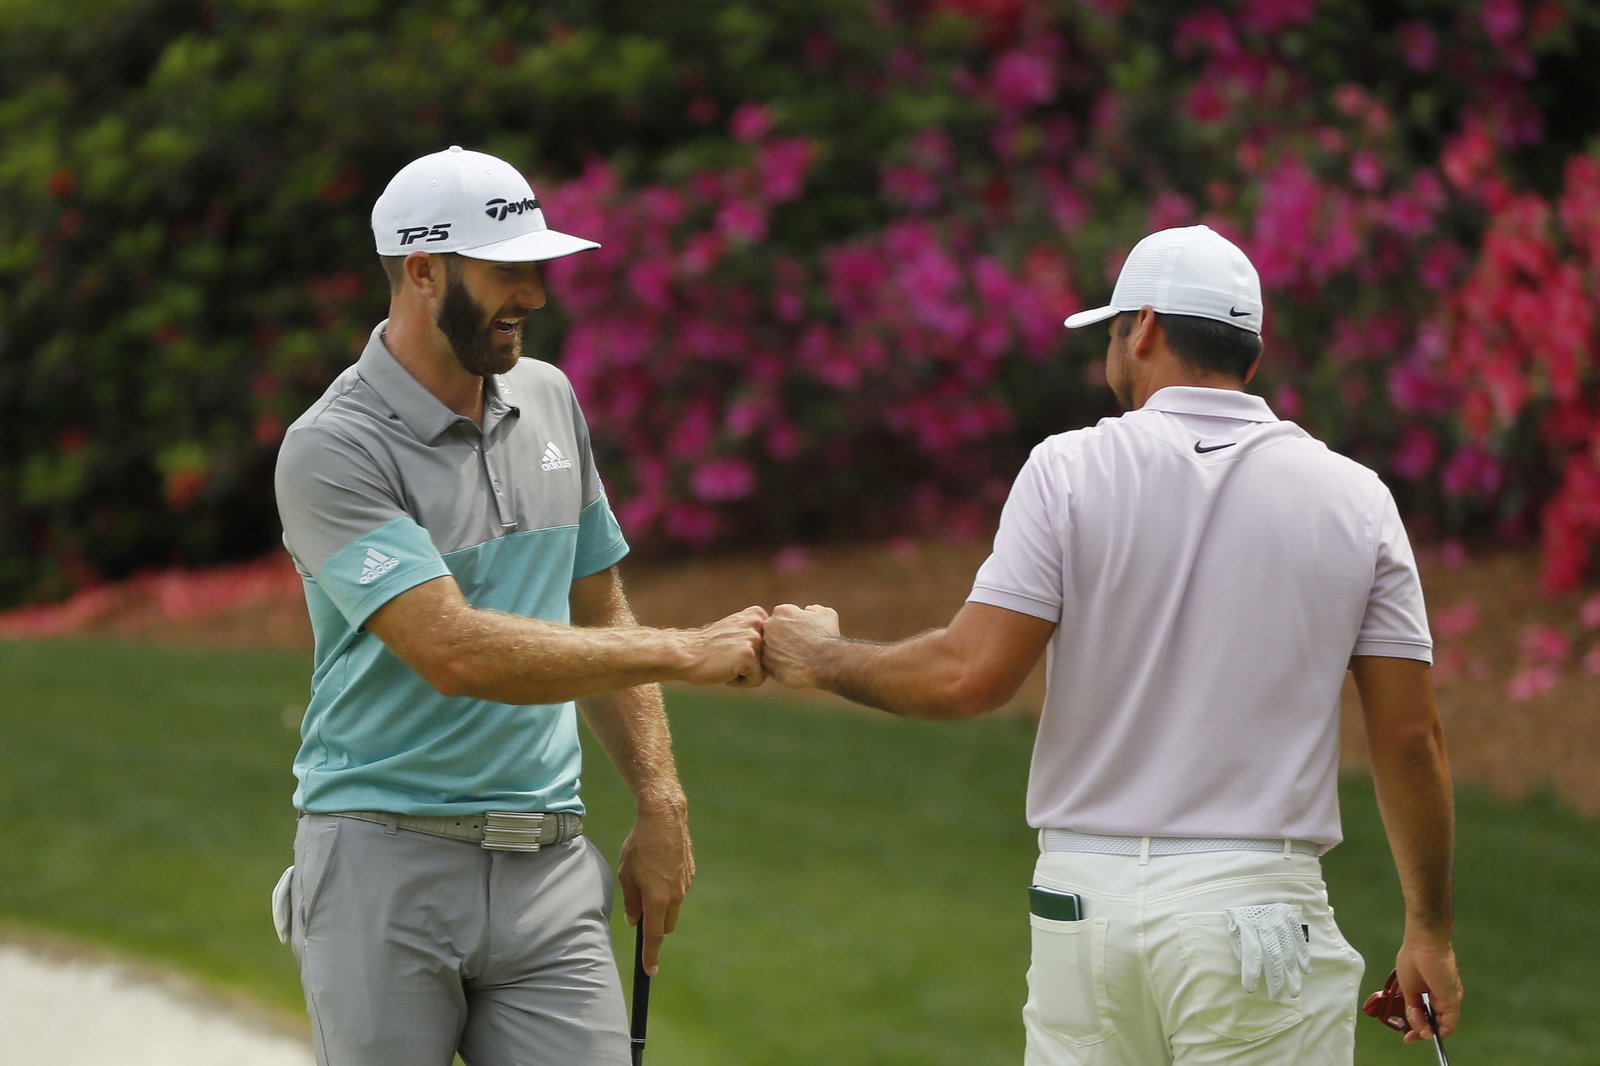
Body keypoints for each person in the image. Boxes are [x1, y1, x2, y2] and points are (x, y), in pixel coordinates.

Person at [761, 225, 1460, 1065]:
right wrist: (1429, 928)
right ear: (1249, 353)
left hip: (1080, 910)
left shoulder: (1069, 469)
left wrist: (820, 656)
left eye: (1114, 327)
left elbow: (969, 676)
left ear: (1148, 328)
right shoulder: (1356, 499)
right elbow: (1411, 739)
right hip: (1257, 912)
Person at [271, 145, 767, 1066]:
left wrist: (662, 804)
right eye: (507, 271)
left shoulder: (548, 399)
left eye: (536, 269)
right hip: (383, 864)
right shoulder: (331, 450)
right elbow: (453, 651)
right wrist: (683, 651)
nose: (534, 296)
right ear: (423, 271)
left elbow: (597, 608)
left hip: (548, 868)